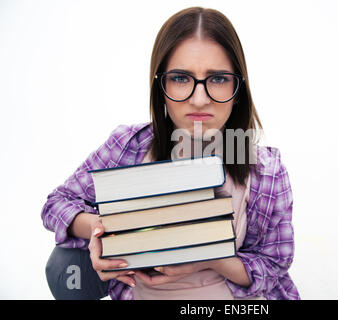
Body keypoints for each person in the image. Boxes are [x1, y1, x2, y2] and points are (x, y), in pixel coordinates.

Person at [42, 6, 300, 300]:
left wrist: (206, 255)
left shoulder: (264, 169)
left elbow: (273, 263)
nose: (200, 99)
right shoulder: (130, 145)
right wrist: (105, 230)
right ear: (160, 85)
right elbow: (57, 203)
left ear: (238, 87)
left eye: (217, 79)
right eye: (180, 78)